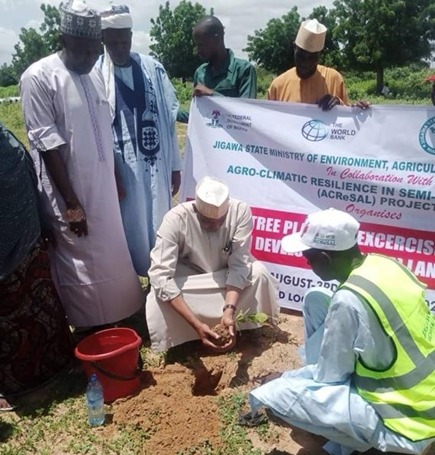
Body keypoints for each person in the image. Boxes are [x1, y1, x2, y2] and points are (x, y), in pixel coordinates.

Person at [248, 208, 435, 455]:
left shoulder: (348, 300)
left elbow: (331, 377)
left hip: (408, 420)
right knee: (315, 298)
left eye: (308, 258)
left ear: (325, 258)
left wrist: (286, 378)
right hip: (424, 391)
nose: (307, 263)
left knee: (274, 393)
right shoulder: (386, 263)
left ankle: (360, 444)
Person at [19, 0, 143, 330]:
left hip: (103, 187)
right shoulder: (39, 78)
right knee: (81, 259)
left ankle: (125, 316)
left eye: (94, 51)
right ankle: (91, 328)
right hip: (70, 190)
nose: (90, 59)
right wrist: (71, 203)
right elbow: (46, 145)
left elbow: (104, 132)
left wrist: (115, 175)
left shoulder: (94, 76)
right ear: (64, 39)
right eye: (83, 52)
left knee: (112, 252)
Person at [146, 176, 280, 352]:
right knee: (159, 297)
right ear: (196, 209)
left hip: (225, 278)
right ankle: (192, 333)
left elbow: (239, 264)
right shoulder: (175, 219)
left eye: (220, 221)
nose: (214, 226)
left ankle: (243, 325)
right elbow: (161, 275)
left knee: (259, 274)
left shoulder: (240, 211)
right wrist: (196, 324)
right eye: (207, 221)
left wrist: (229, 310)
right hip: (192, 280)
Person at [98, 4, 182, 276]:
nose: (120, 48)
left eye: (125, 41)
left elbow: (169, 121)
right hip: (122, 173)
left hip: (156, 166)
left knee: (160, 221)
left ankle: (160, 278)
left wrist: (175, 166)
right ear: (104, 42)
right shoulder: (96, 74)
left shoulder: (152, 68)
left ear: (132, 36)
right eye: (113, 43)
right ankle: (130, 285)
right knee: (128, 226)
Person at [0, 122, 73, 411]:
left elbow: (27, 171)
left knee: (39, 302)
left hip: (28, 238)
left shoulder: (4, 137)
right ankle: (9, 386)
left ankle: (56, 364)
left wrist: (42, 221)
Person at [268, 19, 368, 111]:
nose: (305, 62)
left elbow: (346, 120)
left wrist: (343, 105)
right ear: (294, 48)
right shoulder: (278, 86)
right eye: (301, 55)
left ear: (319, 55)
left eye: (312, 57)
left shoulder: (334, 79)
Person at [177, 16, 257, 123]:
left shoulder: (244, 70)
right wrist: (171, 113)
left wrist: (211, 94)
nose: (198, 51)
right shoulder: (200, 73)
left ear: (217, 39)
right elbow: (198, 115)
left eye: (201, 45)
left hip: (233, 139)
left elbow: (247, 114)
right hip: (207, 139)